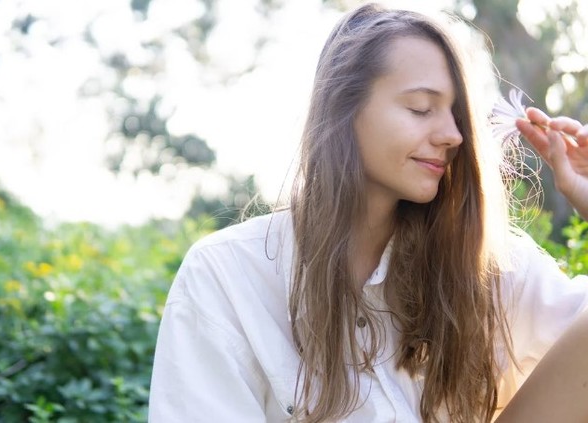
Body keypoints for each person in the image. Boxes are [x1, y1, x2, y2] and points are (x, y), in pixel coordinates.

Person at [148, 3, 588, 422]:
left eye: (456, 115)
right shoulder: (227, 278)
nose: (454, 135)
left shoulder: (488, 267)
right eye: (421, 108)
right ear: (346, 107)